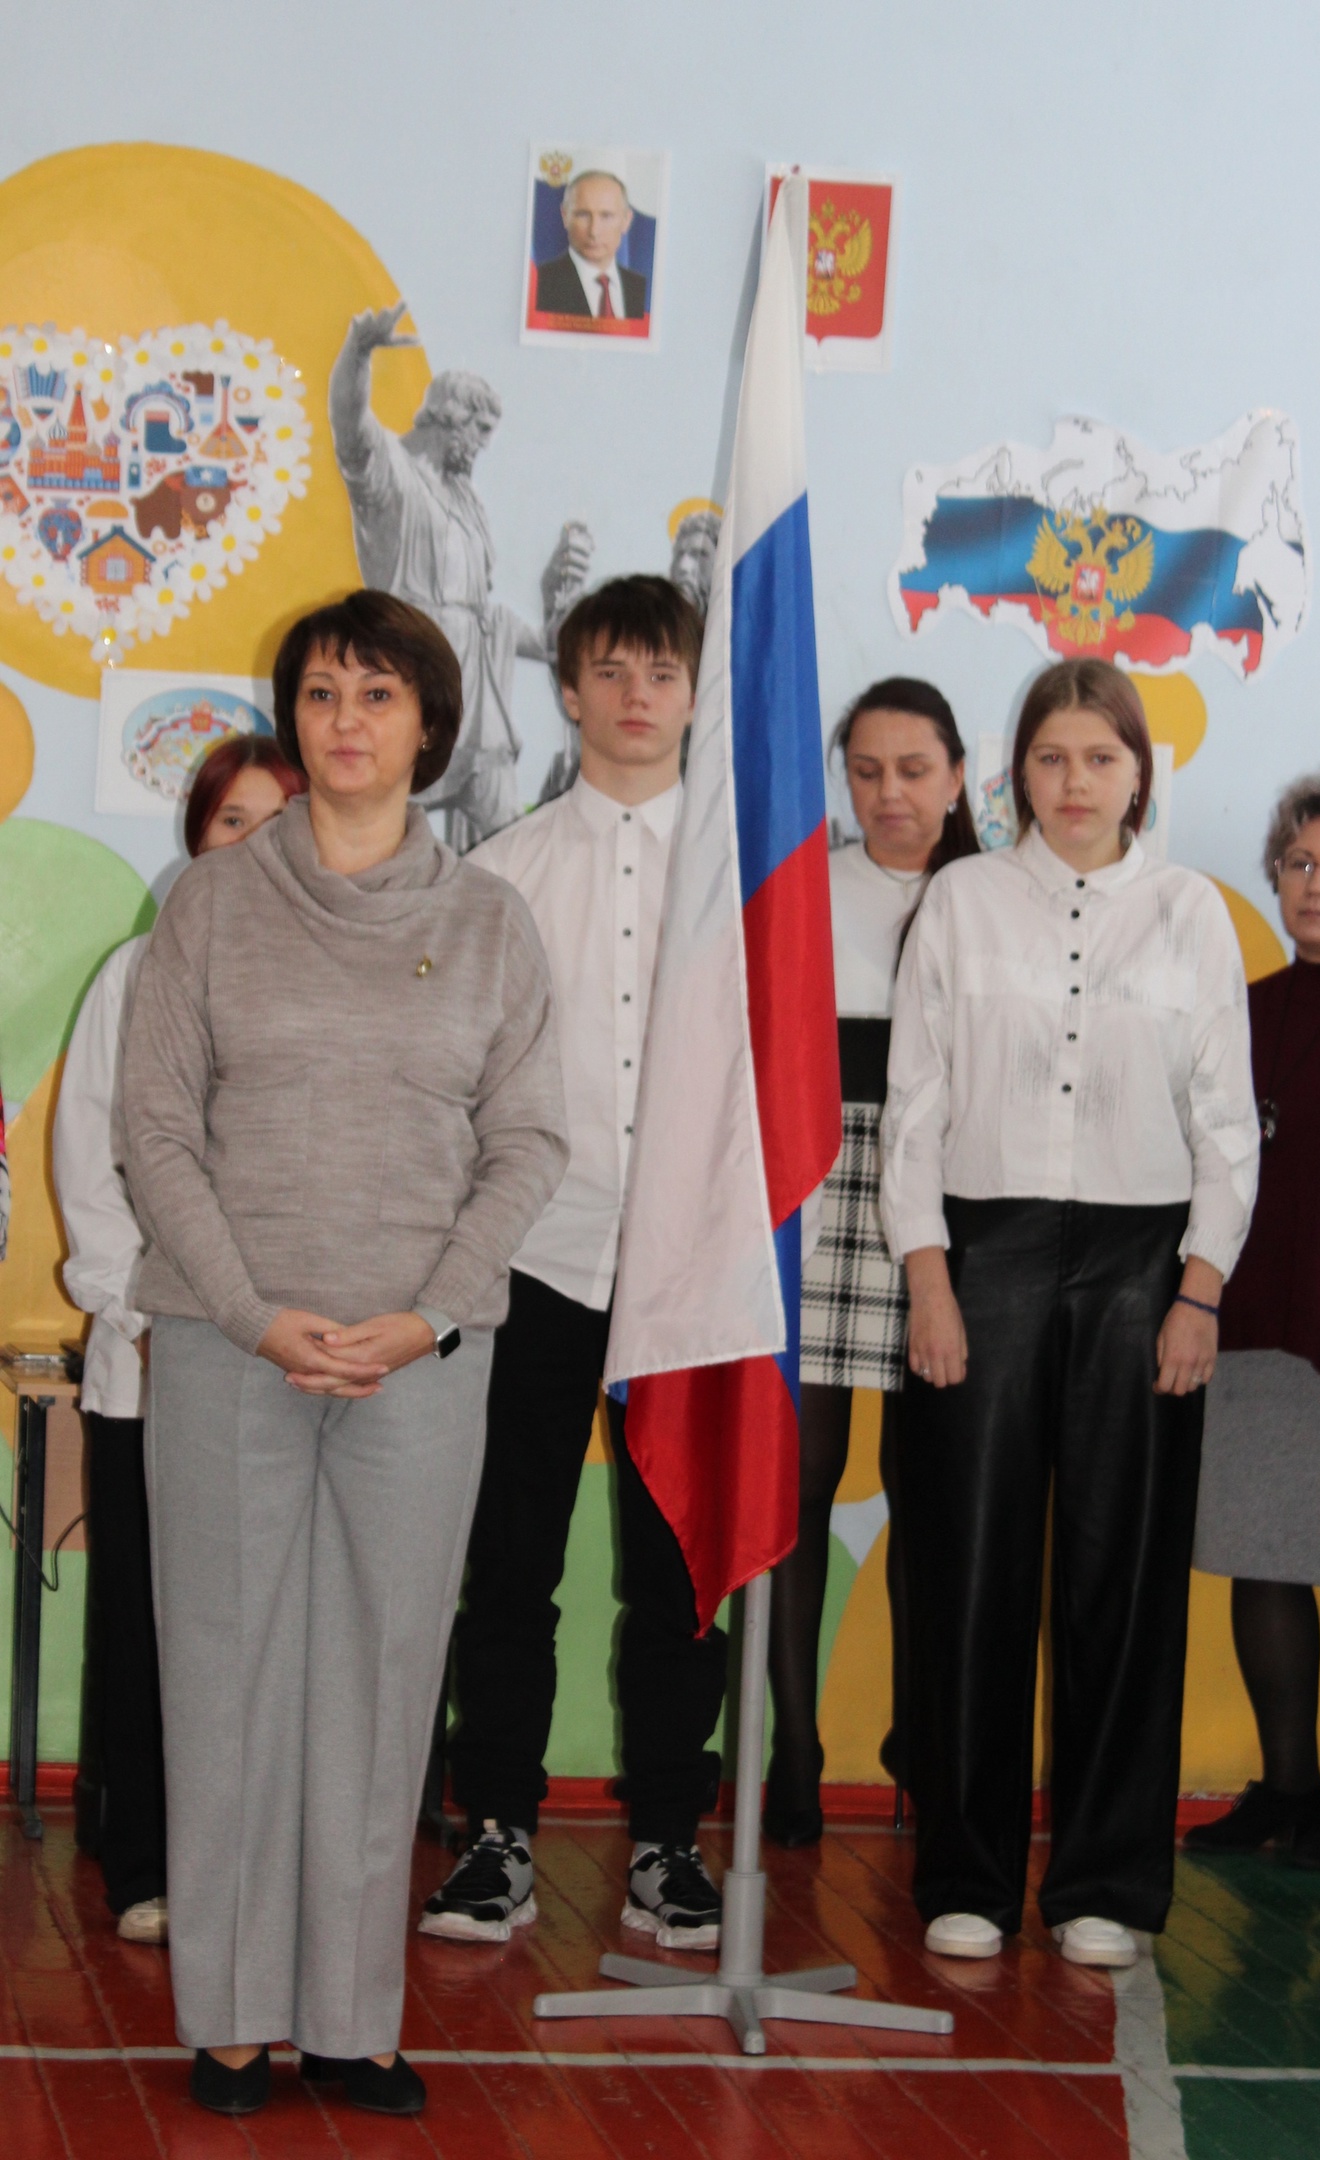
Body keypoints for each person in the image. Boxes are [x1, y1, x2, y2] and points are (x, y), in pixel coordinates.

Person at [120, 590, 567, 2119]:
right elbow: (156, 1132)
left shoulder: (488, 922)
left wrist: (427, 1312)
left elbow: (528, 1143)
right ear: (291, 720)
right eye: (320, 693)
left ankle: (351, 2021)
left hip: (416, 1362)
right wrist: (252, 1312)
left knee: (381, 1682)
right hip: (227, 1341)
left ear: (429, 724)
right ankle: (234, 2018)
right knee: (225, 1676)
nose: (346, 721)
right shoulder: (208, 906)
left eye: (377, 695)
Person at [881, 656, 1259, 1969]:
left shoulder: (1189, 912)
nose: (1075, 781)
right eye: (1050, 758)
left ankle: (1104, 1879)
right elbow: (913, 1108)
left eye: (1101, 757)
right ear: (1015, 773)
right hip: (979, 1258)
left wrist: (1198, 1289)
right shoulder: (961, 901)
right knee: (968, 1570)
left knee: (1123, 1574)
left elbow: (1224, 1125)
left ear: (1138, 772)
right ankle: (967, 1874)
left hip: (1141, 1270)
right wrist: (929, 1276)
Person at [420, 576, 726, 1952]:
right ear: (567, 689)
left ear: (692, 692)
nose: (635, 697)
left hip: (688, 1272)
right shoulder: (501, 874)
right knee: (509, 1566)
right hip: (535, 1261)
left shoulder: (741, 879)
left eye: (660, 672)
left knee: (678, 1576)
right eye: (609, 671)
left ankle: (667, 1840)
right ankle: (495, 1833)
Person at [52, 735, 304, 1947]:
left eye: (278, 823)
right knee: (154, 1618)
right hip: (156, 1361)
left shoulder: (337, 982)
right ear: (195, 838)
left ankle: (259, 1863)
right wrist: (143, 1318)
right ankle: (147, 1858)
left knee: (275, 1627)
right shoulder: (139, 973)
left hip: (295, 1367)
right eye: (229, 822)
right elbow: (93, 1171)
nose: (251, 847)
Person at [764, 679, 979, 1847]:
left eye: (911, 769)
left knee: (932, 1486)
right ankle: (794, 1749)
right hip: (817, 1180)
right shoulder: (802, 888)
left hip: (951, 1198)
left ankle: (921, 1738)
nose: (888, 793)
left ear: (957, 774)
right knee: (798, 1482)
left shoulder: (992, 896)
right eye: (864, 771)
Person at [1189, 770, 1320, 1870]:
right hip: (1250, 1324)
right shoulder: (1240, 1010)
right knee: (1261, 1554)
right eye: (1300, 863)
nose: (1318, 885)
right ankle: (1286, 1790)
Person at [329, 305, 592, 846]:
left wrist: (551, 629)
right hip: (414, 687)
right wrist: (358, 351)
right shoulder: (391, 474)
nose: (484, 445)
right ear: (451, 418)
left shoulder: (466, 499)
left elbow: (482, 612)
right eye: (481, 430)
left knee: (510, 846)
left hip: (480, 701)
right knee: (385, 846)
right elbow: (350, 425)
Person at [535, 169, 647, 320]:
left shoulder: (641, 289)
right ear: (565, 217)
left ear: (626, 220)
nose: (594, 231)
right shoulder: (538, 285)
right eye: (583, 215)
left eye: (606, 216)